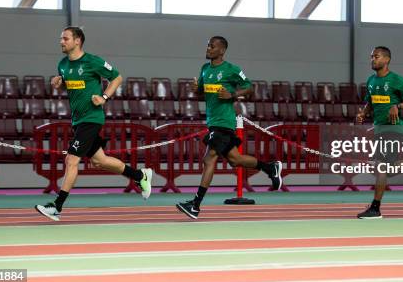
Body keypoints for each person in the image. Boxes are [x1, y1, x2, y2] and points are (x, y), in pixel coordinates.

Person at [35, 27, 152, 221]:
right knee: (99, 160)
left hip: (92, 119)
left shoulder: (92, 61)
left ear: (77, 41)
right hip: (77, 120)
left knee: (71, 160)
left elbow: (117, 77)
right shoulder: (62, 64)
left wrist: (104, 96)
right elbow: (71, 82)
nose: (61, 42)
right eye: (61, 39)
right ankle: (140, 176)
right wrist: (59, 82)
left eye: (65, 38)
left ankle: (57, 206)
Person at [176, 36, 282, 219]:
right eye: (207, 44)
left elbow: (249, 87)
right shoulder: (205, 69)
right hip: (212, 122)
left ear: (222, 51)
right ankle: (270, 168)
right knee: (236, 159)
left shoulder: (231, 69)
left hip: (224, 122)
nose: (208, 48)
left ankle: (195, 205)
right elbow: (203, 91)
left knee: (209, 159)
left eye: (212, 46)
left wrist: (232, 94)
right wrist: (197, 89)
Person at [355, 47, 403, 219]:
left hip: (394, 128)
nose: (372, 60)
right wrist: (363, 113)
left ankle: (375, 208)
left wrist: (397, 106)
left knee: (381, 167)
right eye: (371, 57)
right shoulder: (370, 81)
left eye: (376, 57)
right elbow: (370, 103)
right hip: (379, 129)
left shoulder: (396, 80)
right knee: (386, 170)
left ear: (386, 59)